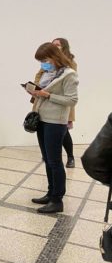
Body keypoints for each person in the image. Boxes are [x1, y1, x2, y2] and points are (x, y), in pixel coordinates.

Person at [26, 42, 78, 214]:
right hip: (42, 119)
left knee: (55, 161)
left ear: (54, 57)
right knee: (47, 159)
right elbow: (45, 93)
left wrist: (47, 95)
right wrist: (35, 92)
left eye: (44, 59)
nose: (43, 64)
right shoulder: (49, 73)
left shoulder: (69, 74)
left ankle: (57, 200)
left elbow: (72, 100)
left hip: (56, 122)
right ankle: (50, 193)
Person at [53, 38, 77, 168]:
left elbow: (70, 81)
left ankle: (70, 157)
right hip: (48, 101)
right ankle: (51, 154)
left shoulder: (71, 63)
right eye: (53, 45)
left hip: (63, 101)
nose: (55, 47)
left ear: (64, 47)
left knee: (64, 132)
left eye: (57, 45)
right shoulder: (48, 60)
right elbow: (39, 75)